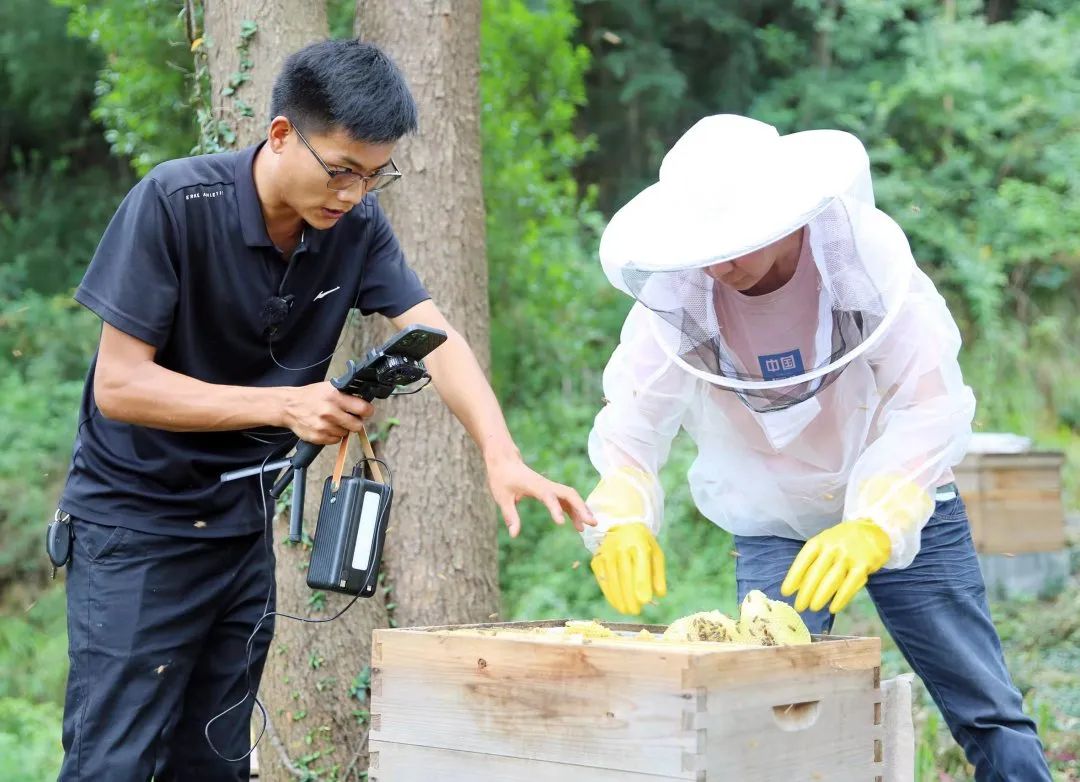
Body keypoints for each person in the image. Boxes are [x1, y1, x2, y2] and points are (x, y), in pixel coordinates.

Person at [55, 38, 593, 781]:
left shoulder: (357, 229)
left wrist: (502, 455)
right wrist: (284, 407)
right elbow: (121, 387)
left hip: (240, 533)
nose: (352, 194)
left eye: (374, 176)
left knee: (213, 765)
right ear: (281, 134)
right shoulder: (176, 203)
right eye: (340, 169)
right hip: (133, 529)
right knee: (112, 765)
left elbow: (434, 339)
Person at [582, 114, 1050, 781]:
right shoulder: (678, 295)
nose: (721, 262)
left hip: (903, 504)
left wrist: (875, 523)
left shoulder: (863, 264)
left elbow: (929, 404)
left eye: (735, 240)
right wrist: (623, 519)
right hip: (773, 519)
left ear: (782, 215)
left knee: (984, 707)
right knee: (768, 715)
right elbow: (631, 421)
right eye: (705, 243)